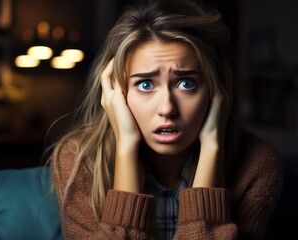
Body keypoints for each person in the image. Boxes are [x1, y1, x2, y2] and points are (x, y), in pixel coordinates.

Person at [49, 0, 283, 239]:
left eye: (186, 83)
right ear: (116, 93)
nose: (167, 108)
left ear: (217, 90)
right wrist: (126, 146)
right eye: (145, 84)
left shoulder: (256, 164)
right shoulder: (78, 161)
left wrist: (212, 145)